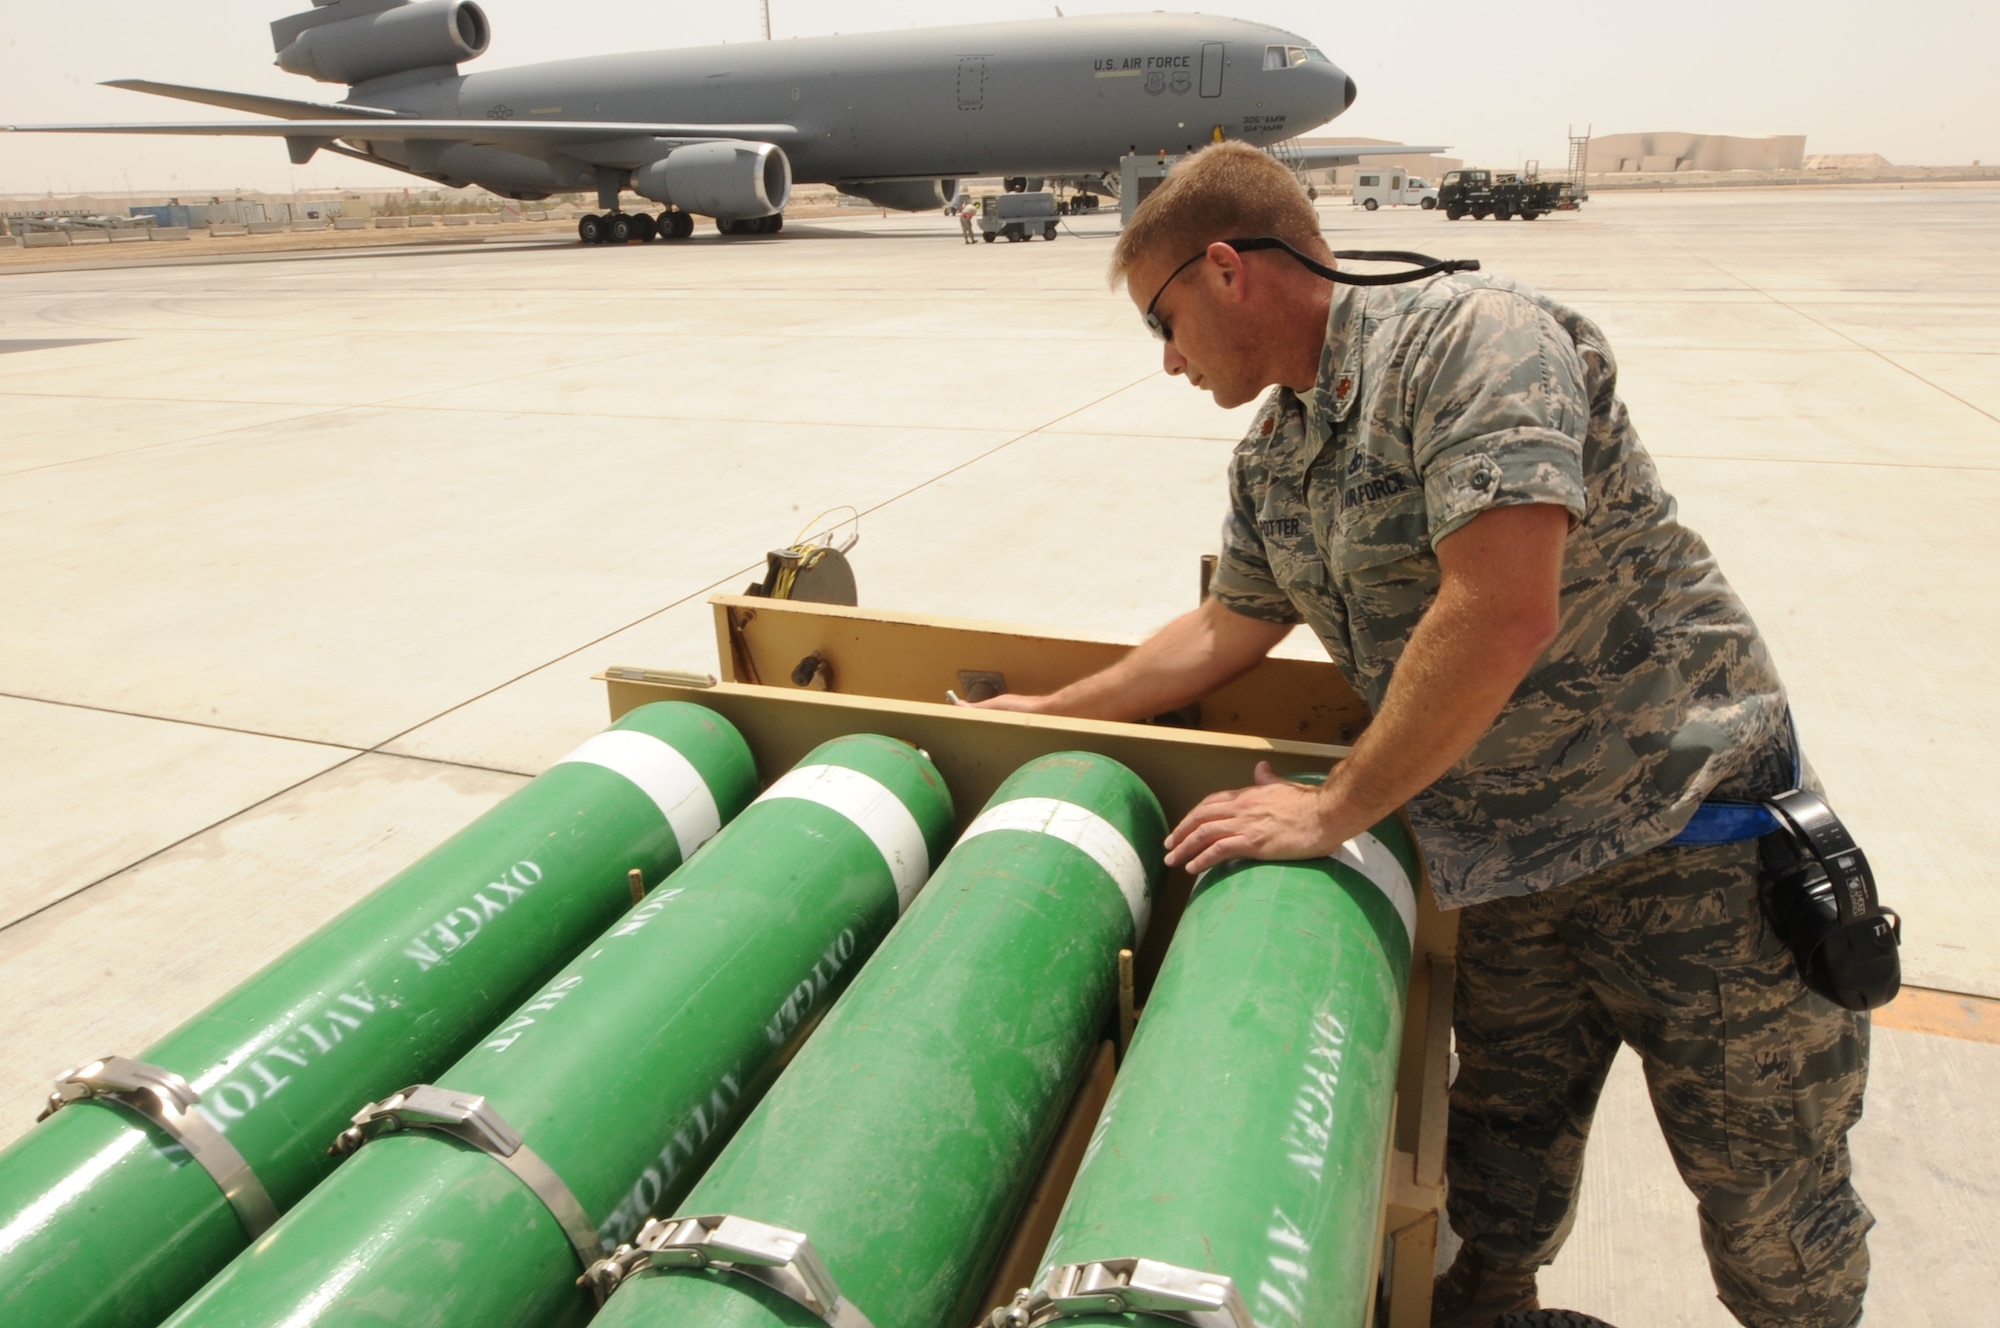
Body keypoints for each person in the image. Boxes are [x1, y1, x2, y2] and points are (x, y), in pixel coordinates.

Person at [968, 142, 1871, 1328]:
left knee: (1770, 1207)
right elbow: (1225, 625)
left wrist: (1332, 807)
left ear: (1227, 268)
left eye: (1163, 320)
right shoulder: (1275, 456)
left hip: (1689, 848)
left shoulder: (1471, 344)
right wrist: (1049, 714)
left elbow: (1499, 605)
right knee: (1498, 1167)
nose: (1169, 359)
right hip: (1507, 867)